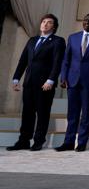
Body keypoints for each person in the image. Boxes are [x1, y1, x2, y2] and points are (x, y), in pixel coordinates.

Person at [6, 14, 65, 151]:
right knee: (27, 112)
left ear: (54, 27)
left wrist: (51, 80)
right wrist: (16, 79)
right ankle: (24, 140)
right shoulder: (32, 40)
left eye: (49, 22)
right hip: (29, 83)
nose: (45, 24)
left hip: (45, 84)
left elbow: (57, 63)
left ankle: (38, 141)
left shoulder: (58, 41)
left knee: (42, 113)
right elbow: (23, 61)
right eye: (43, 21)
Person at [56, 13, 89, 152]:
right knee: (72, 113)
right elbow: (66, 60)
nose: (87, 22)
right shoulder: (73, 37)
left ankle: (82, 142)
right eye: (85, 20)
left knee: (86, 113)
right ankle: (68, 142)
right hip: (72, 80)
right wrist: (63, 77)